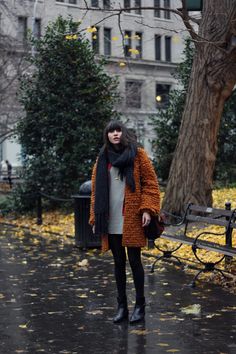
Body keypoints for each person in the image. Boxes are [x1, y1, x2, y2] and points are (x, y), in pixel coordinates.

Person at [89, 120, 161, 324]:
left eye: (118, 130)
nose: (115, 134)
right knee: (118, 263)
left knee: (135, 261)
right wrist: (96, 217)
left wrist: (147, 209)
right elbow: (95, 191)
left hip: (132, 218)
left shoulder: (138, 154)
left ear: (124, 133)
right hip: (110, 218)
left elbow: (151, 184)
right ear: (107, 135)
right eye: (111, 131)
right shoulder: (102, 158)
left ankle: (140, 307)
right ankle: (122, 307)